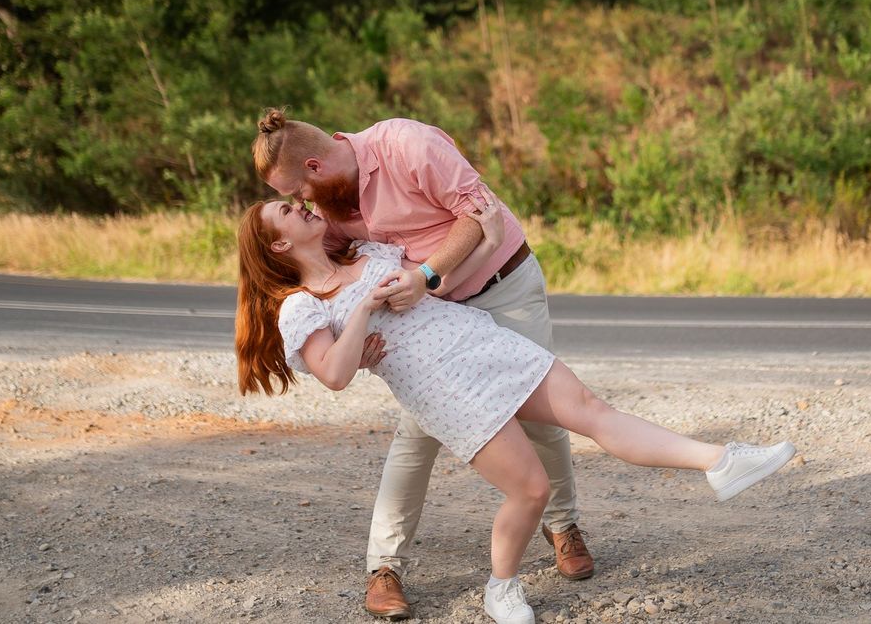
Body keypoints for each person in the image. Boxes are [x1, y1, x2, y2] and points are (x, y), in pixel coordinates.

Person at [235, 194, 798, 624]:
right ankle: (501, 587)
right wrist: (364, 313)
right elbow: (333, 374)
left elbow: (438, 283)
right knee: (529, 490)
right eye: (288, 210)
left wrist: (487, 240)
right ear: (278, 245)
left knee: (591, 409)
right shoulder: (302, 307)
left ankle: (721, 461)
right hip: (443, 389)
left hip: (482, 343)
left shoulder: (368, 251)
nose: (303, 206)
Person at [250, 108, 589, 618]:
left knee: (544, 416)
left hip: (502, 288)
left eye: (297, 192)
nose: (300, 203)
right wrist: (352, 344)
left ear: (316, 167)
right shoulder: (327, 211)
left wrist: (427, 274)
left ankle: (562, 524)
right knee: (415, 437)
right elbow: (326, 275)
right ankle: (384, 566)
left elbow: (478, 211)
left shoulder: (404, 144)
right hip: (430, 318)